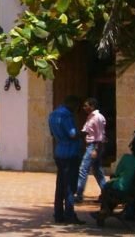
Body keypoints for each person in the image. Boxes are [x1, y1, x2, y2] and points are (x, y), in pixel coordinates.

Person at [49, 95, 85, 225]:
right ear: (73, 104)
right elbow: (73, 134)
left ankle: (58, 214)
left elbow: (52, 133)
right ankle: (70, 214)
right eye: (77, 106)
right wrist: (84, 133)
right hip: (70, 154)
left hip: (59, 152)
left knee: (60, 185)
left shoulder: (53, 114)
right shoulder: (67, 115)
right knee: (69, 186)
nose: (77, 110)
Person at [76, 98, 107, 202]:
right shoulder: (91, 117)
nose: (84, 108)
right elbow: (86, 131)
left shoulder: (97, 117)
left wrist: (96, 149)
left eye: (86, 106)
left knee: (83, 169)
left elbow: (100, 135)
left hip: (94, 145)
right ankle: (107, 193)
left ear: (92, 106)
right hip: (91, 145)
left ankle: (79, 195)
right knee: (97, 171)